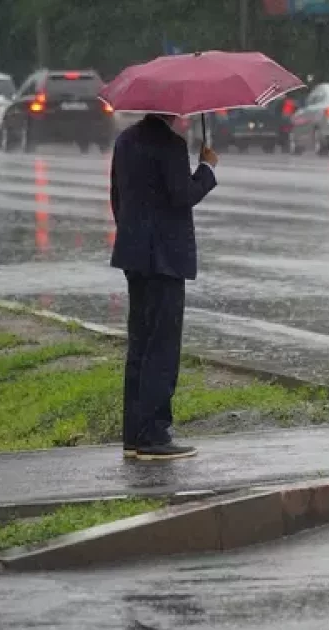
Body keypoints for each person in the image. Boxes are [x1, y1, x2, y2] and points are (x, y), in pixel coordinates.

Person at [110, 113, 218, 461]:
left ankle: (134, 435)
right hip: (165, 260)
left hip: (134, 255)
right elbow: (182, 195)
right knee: (162, 349)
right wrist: (206, 169)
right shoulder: (171, 145)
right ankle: (155, 435)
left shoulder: (125, 140)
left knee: (140, 347)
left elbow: (117, 196)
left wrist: (133, 235)